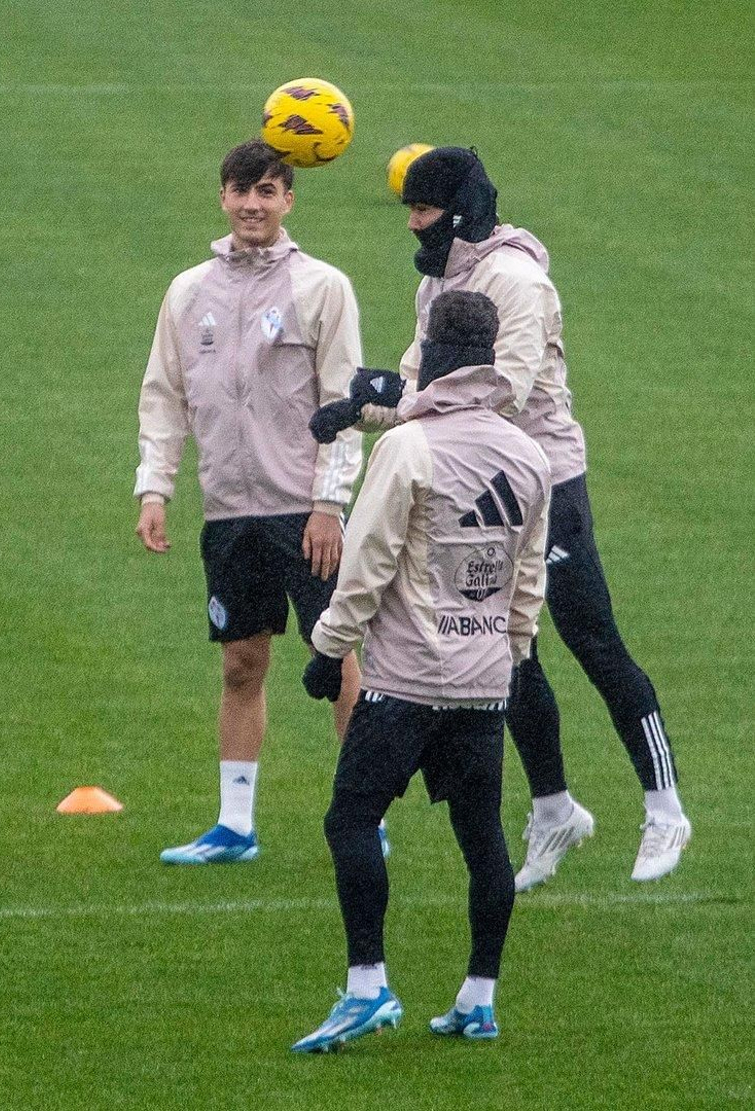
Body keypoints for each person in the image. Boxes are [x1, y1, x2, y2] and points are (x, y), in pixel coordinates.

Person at [355, 147, 689, 887]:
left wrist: (390, 399)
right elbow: (419, 375)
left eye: (423, 210)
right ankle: (554, 807)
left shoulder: (518, 282)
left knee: (592, 638)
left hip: (545, 480)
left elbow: (498, 389)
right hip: (470, 476)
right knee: (513, 650)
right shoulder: (443, 279)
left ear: (461, 209)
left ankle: (665, 806)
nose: (413, 224)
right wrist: (359, 405)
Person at [291, 291, 550, 1053]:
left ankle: (368, 984)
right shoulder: (528, 452)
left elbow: (367, 566)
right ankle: (479, 996)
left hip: (405, 681)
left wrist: (329, 648)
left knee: (350, 817)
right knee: (483, 838)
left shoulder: (408, 448)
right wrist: (514, 655)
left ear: (435, 347)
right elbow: (527, 579)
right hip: (482, 680)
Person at [135, 139, 364, 864]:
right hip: (229, 512)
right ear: (222, 198)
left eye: (267, 191)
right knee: (240, 662)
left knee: (337, 656)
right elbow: (165, 396)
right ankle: (236, 825)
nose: (253, 205)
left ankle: (363, 811)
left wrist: (330, 501)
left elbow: (347, 402)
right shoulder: (186, 291)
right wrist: (155, 486)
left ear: (289, 200)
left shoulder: (322, 286)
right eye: (241, 191)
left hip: (305, 510)